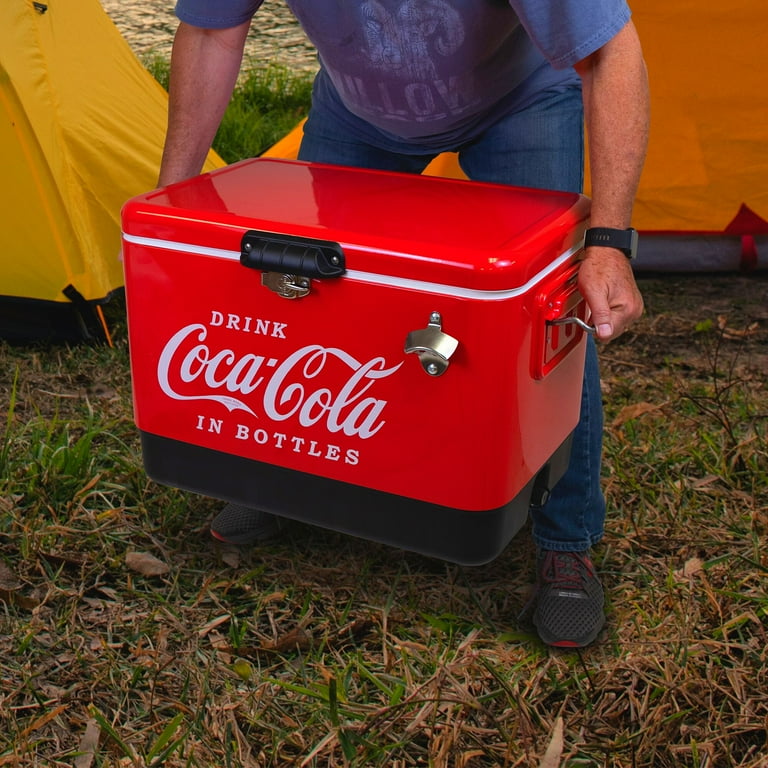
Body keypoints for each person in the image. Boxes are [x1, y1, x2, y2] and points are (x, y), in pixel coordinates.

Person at [158, 0, 649, 648]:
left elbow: (611, 49)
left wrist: (609, 241)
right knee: (311, 297)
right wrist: (170, 206)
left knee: (550, 325)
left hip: (520, 102)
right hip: (356, 113)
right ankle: (286, 482)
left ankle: (566, 539)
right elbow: (211, 32)